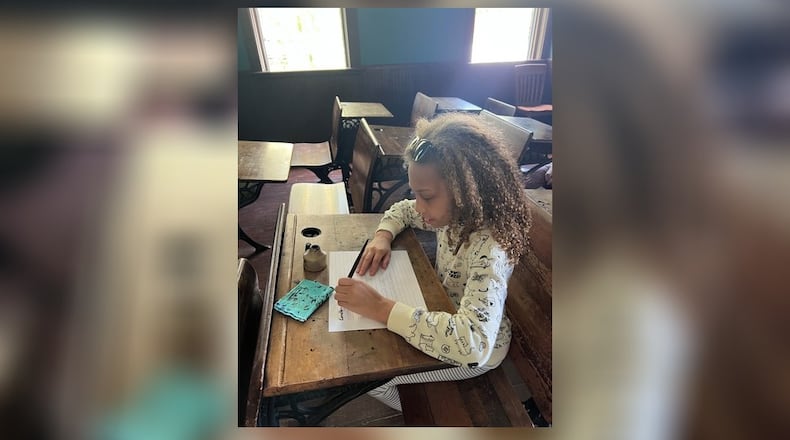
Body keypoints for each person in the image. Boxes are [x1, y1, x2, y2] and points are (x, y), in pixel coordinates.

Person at [333, 112, 532, 411]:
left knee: (370, 378)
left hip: (477, 353)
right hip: (441, 311)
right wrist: (382, 237)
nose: (419, 206)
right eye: (416, 193)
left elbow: (474, 342)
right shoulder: (456, 215)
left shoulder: (491, 248)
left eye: (426, 196)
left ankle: (430, 409)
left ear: (468, 191)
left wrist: (381, 308)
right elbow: (403, 210)